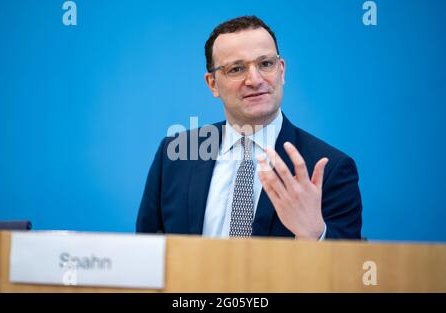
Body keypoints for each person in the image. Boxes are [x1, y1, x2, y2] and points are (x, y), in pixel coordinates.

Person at [136, 16, 362, 240]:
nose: (254, 80)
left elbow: (345, 271)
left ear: (281, 71)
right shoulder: (176, 154)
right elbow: (145, 253)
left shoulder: (329, 169)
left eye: (265, 64)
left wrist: (315, 235)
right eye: (236, 69)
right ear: (212, 83)